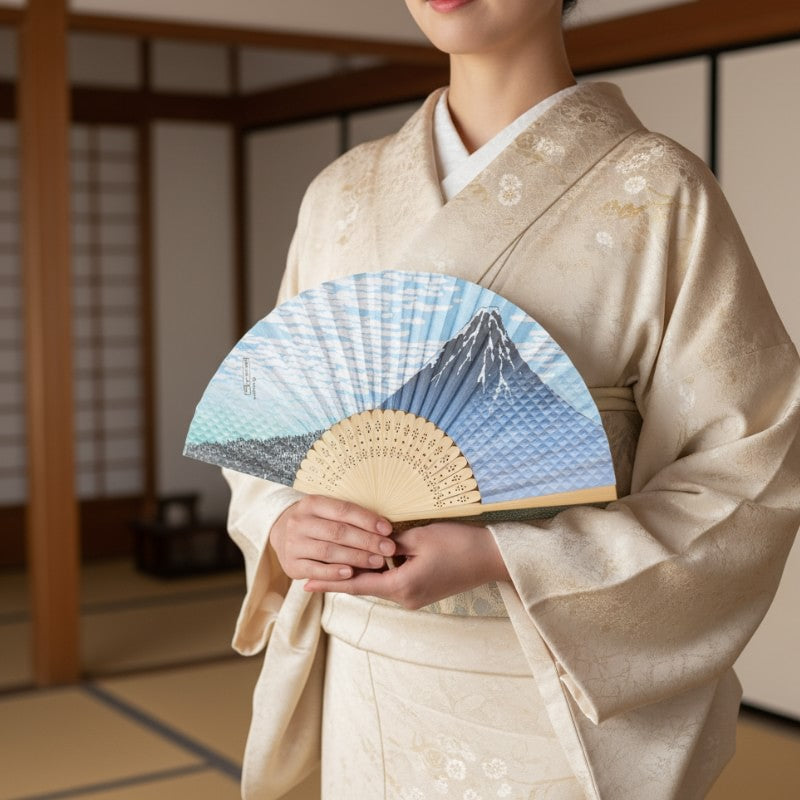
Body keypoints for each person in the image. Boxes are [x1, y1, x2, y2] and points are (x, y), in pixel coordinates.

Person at [222, 1, 800, 798]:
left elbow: (751, 467)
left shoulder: (659, 190)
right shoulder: (340, 195)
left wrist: (508, 556)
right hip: (363, 676)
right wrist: (284, 522)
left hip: (547, 689)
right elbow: (267, 425)